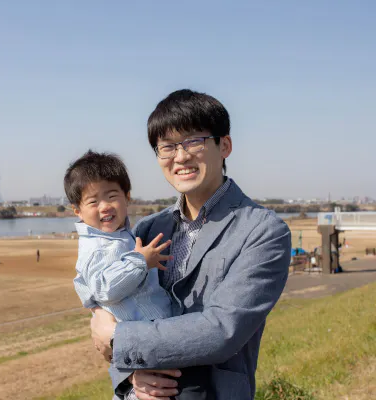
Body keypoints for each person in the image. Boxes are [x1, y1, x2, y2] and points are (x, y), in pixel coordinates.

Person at [91, 89, 291, 400]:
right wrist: (130, 375)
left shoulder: (263, 230)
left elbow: (222, 330)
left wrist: (120, 339)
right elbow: (113, 308)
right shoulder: (148, 229)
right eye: (167, 146)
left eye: (194, 141)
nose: (181, 157)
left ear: (224, 145)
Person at [64, 150, 213, 400]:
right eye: (93, 201)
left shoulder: (122, 236)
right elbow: (103, 289)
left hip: (151, 337)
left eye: (112, 196)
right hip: (141, 342)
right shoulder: (97, 247)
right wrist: (140, 262)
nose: (105, 206)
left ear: (127, 197)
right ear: (77, 210)